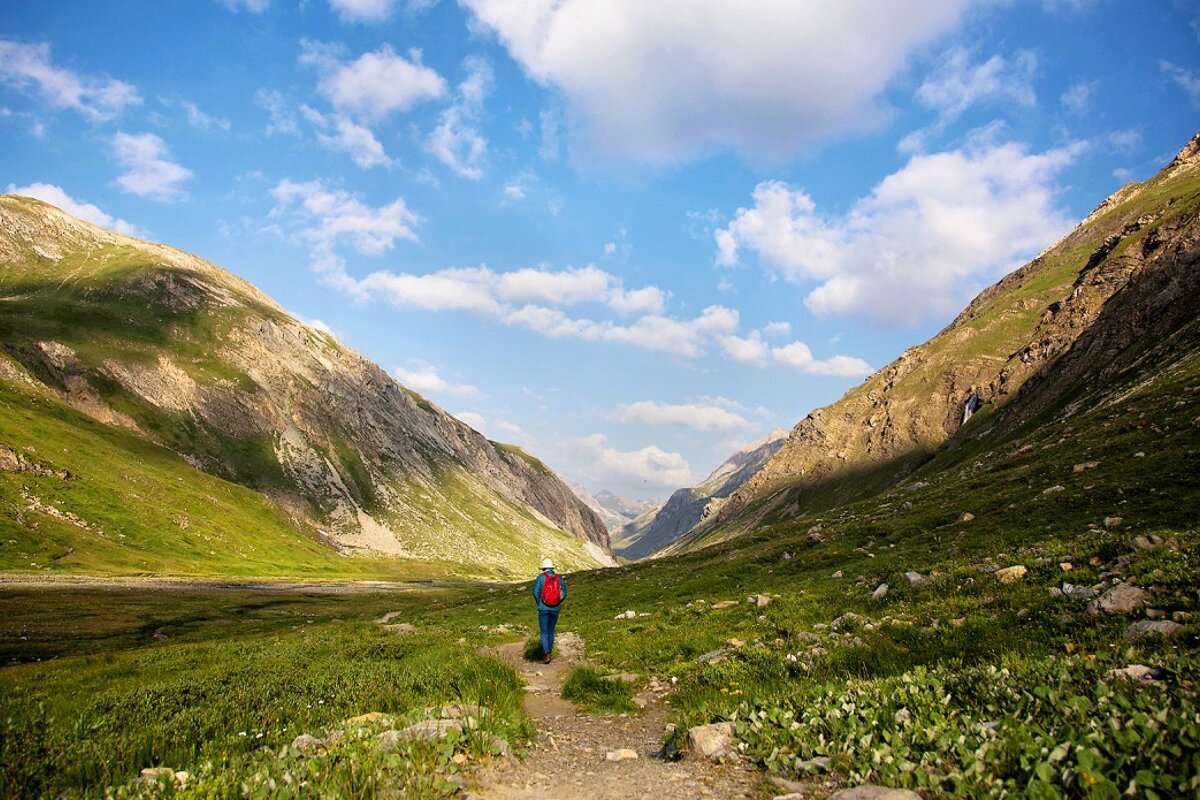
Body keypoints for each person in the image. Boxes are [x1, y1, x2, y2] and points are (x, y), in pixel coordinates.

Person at [532, 557, 566, 663]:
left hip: (543, 608)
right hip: (555, 608)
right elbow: (564, 593)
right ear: (552, 568)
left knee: (544, 631)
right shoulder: (559, 578)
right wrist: (557, 602)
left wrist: (540, 603)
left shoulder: (540, 578)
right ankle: (549, 652)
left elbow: (535, 592)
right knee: (551, 631)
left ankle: (546, 653)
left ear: (543, 568)